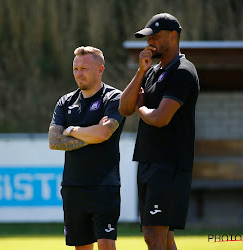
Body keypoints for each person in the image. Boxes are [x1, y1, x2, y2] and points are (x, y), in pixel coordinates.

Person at [119, 13, 199, 250]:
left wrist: (141, 106)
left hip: (169, 165)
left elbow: (160, 118)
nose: (149, 42)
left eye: (155, 37)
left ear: (173, 36)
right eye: (148, 38)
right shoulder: (153, 71)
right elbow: (124, 108)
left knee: (153, 236)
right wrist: (140, 71)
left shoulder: (183, 71)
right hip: (148, 161)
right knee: (162, 238)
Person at [49, 46, 125, 250]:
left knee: (106, 245)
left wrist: (71, 129)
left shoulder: (114, 98)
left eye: (84, 68)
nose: (78, 74)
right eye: (75, 69)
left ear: (100, 69)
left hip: (104, 186)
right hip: (73, 187)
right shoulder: (65, 102)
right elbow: (54, 141)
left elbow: (103, 133)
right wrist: (91, 134)